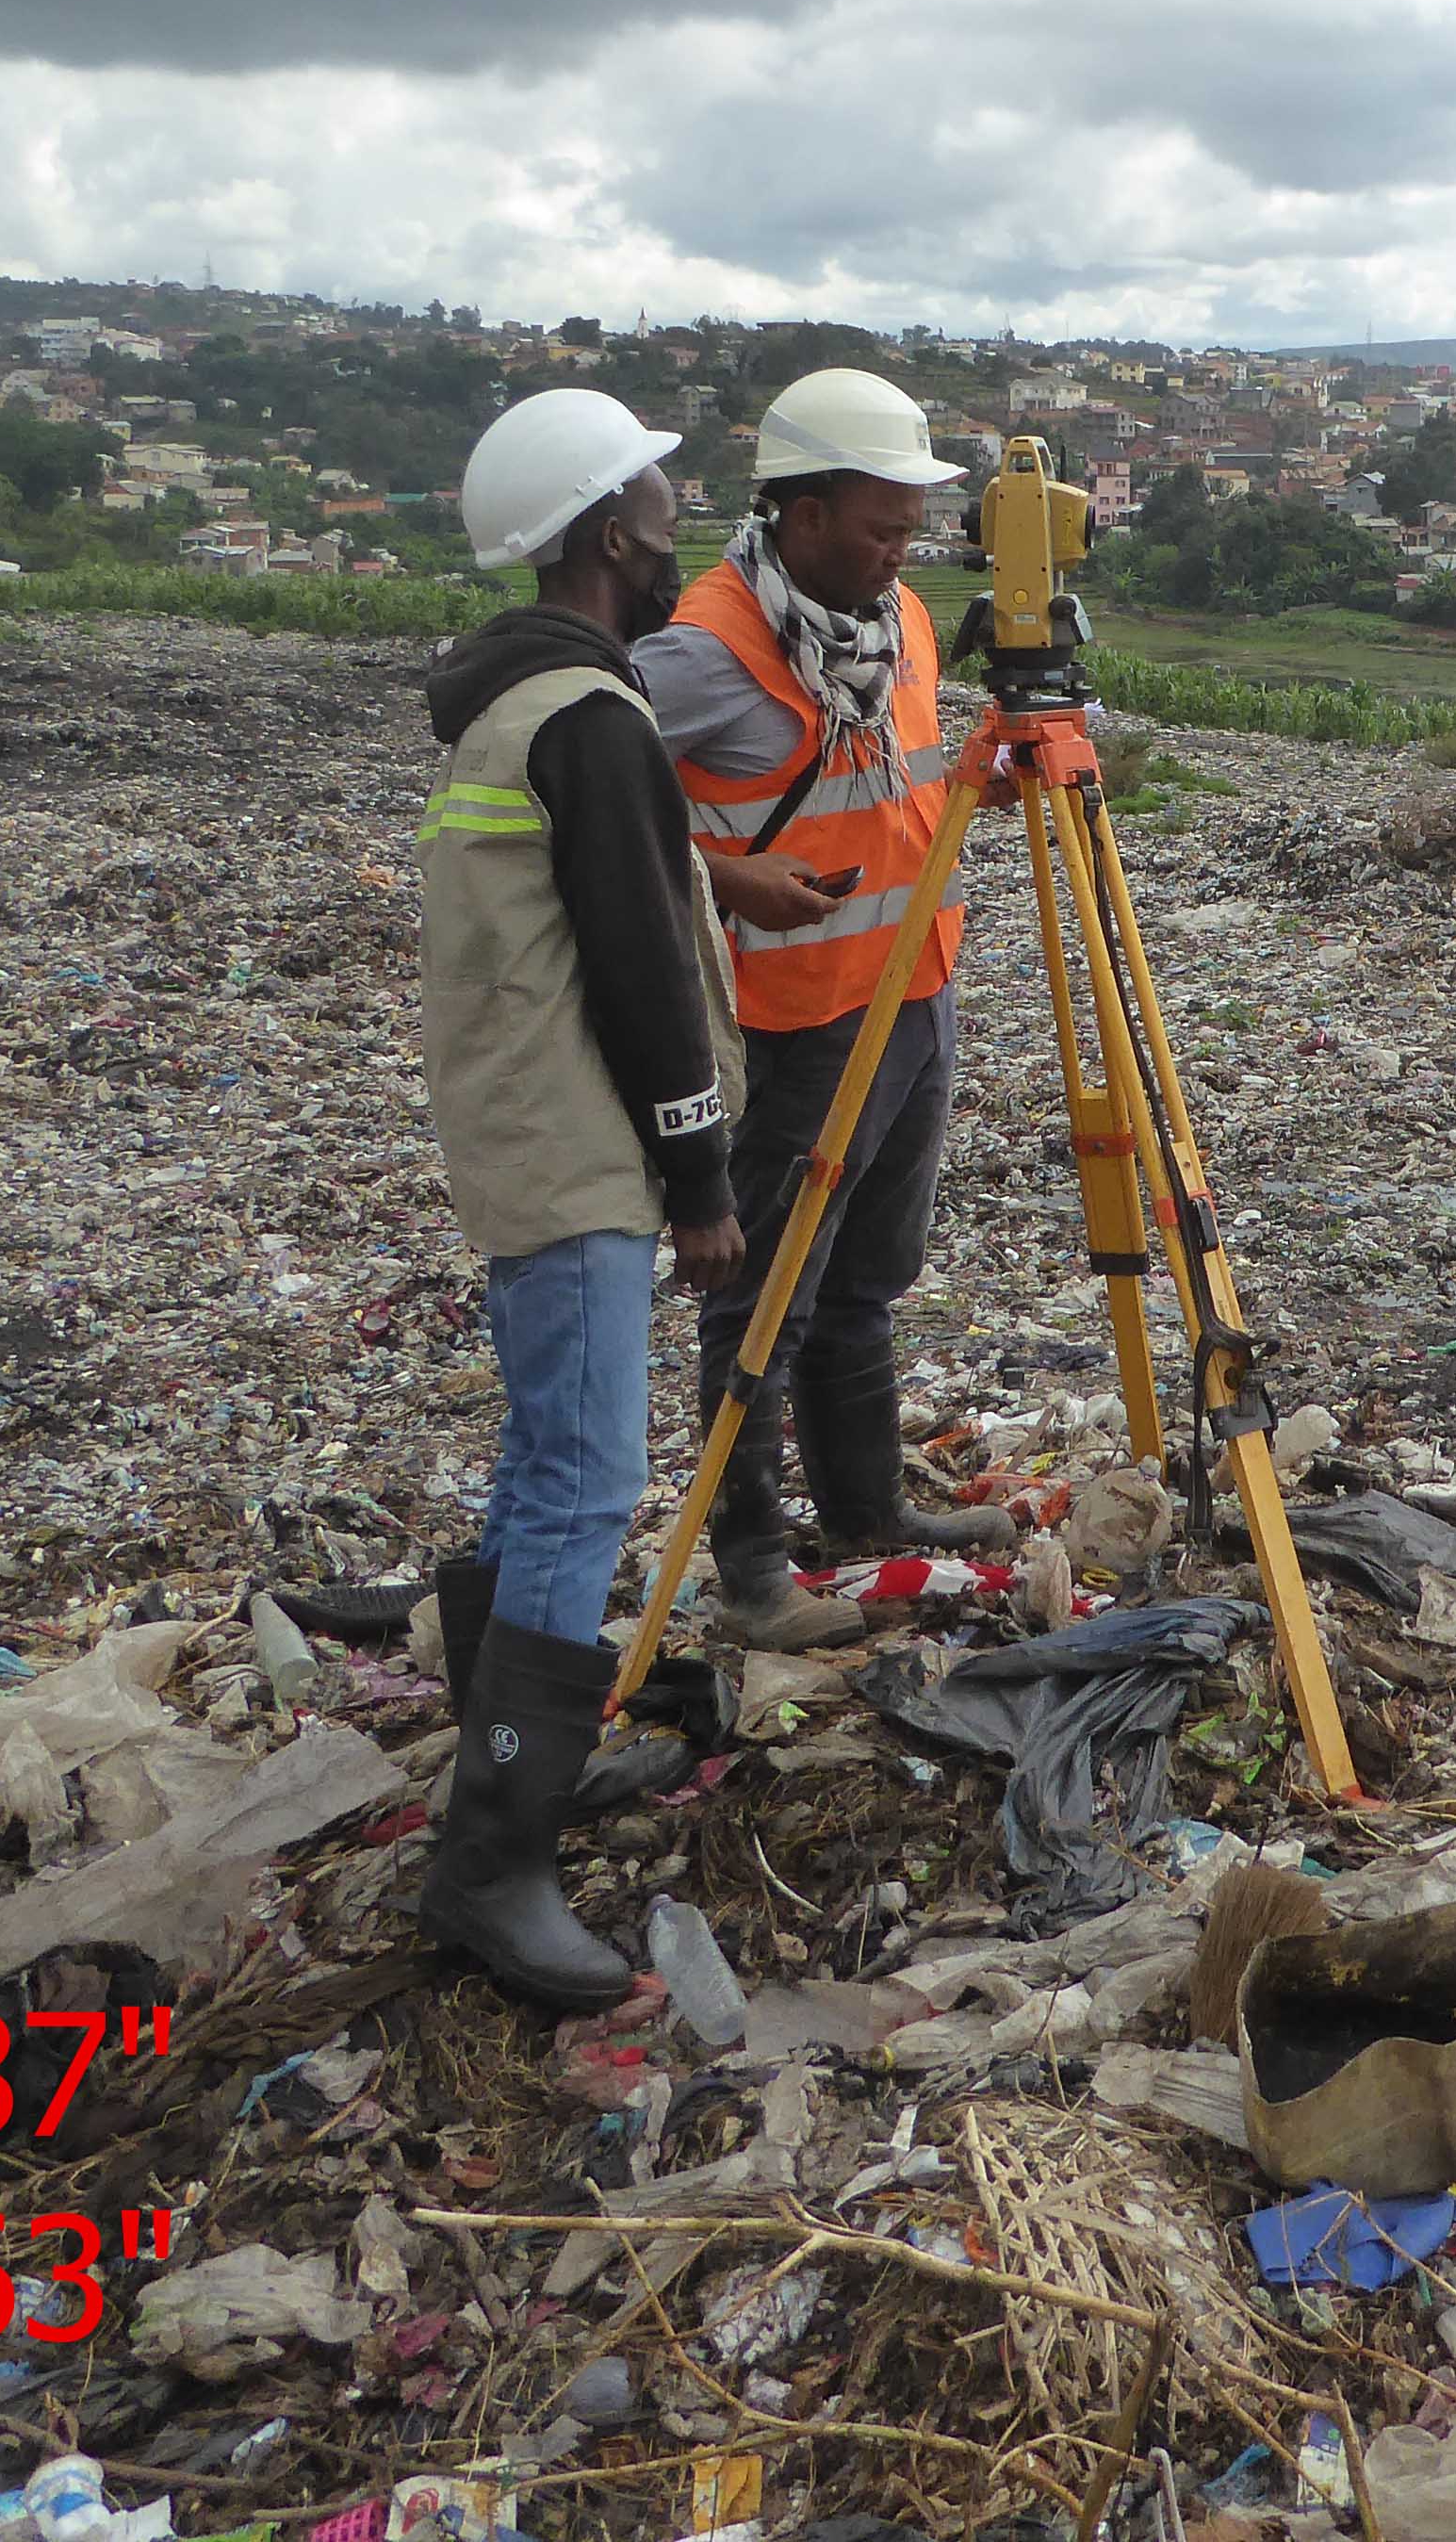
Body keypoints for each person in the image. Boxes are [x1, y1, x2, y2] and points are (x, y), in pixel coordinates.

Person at [411, 388, 745, 2009]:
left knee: (543, 1463)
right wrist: (700, 1181)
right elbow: (640, 973)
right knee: (581, 1486)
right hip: (582, 1151)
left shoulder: (516, 700)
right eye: (661, 497)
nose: (682, 516)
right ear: (610, 531)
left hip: (520, 1133)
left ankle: (505, 1769)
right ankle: (494, 1860)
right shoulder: (593, 720)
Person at [632, 363, 1013, 1648]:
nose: (904, 547)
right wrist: (722, 871)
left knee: (866, 1277)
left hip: (916, 991)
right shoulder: (704, 651)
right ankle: (747, 1566)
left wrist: (982, 785)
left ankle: (867, 1513)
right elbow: (570, 783)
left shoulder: (892, 615)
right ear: (798, 514)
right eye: (879, 522)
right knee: (766, 1295)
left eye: (913, 522)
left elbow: (895, 773)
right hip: (802, 1024)